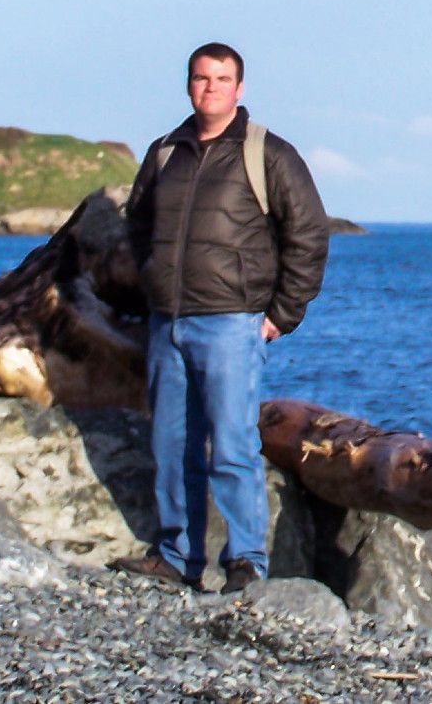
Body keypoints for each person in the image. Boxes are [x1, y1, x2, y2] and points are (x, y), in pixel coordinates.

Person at [108, 42, 330, 593]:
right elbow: (137, 226)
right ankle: (176, 555)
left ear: (240, 88)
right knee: (170, 442)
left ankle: (246, 560)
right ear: (188, 84)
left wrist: (282, 314)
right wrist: (153, 280)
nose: (210, 88)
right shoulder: (165, 153)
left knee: (232, 445)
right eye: (201, 78)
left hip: (233, 323)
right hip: (170, 322)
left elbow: (309, 234)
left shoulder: (267, 154)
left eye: (222, 79)